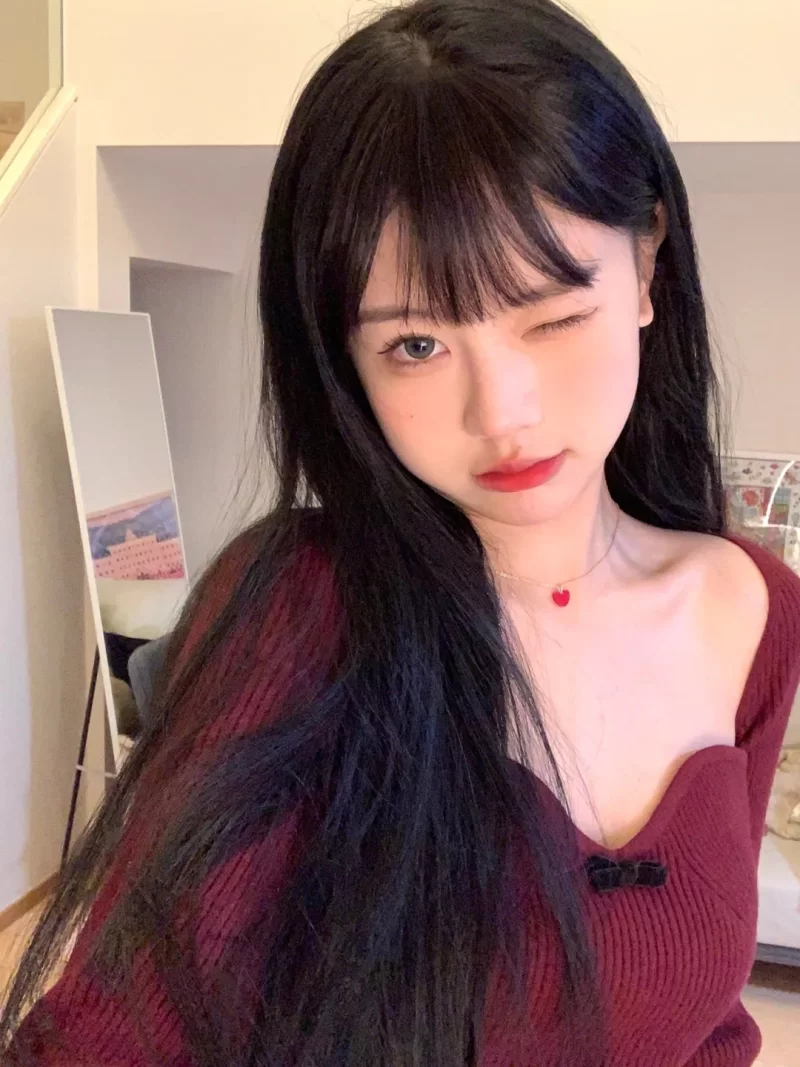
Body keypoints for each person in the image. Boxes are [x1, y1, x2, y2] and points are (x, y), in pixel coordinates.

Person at [3, 1, 800, 1064]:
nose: (503, 414)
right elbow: (113, 1030)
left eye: (553, 315)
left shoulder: (752, 608)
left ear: (646, 265)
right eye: (417, 344)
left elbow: (704, 1022)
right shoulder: (300, 608)